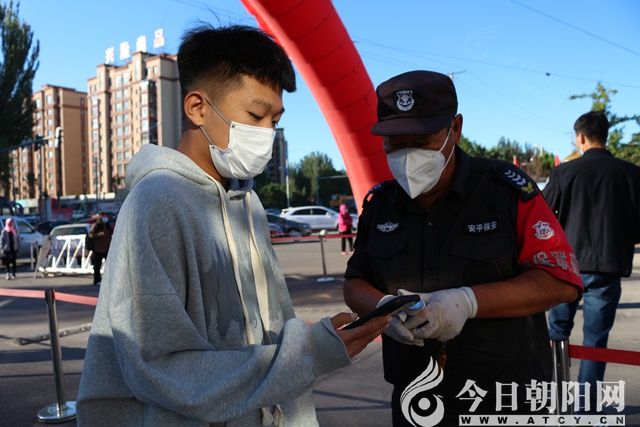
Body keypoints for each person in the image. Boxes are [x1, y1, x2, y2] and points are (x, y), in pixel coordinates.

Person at [77, 25, 388, 427]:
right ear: (197, 107)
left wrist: (312, 344)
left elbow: (271, 326)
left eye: (275, 119)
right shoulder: (156, 203)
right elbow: (159, 369)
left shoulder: (247, 202)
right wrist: (309, 353)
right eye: (255, 116)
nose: (266, 134)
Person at [343, 70, 583, 425]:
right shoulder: (381, 205)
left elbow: (560, 280)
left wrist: (467, 302)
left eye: (422, 140)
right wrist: (383, 310)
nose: (407, 155)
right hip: (416, 398)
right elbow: (354, 283)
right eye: (395, 142)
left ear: (454, 129)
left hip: (504, 398)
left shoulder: (505, 192)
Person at [543, 111, 640, 412]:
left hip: (565, 268)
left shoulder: (563, 173)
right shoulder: (630, 173)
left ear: (581, 137)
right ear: (605, 136)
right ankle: (587, 406)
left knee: (557, 333)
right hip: (607, 267)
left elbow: (543, 218)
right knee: (595, 340)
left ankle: (557, 401)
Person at [87, 212, 113, 285]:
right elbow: (91, 234)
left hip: (107, 247)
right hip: (98, 249)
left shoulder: (107, 225)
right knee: (97, 266)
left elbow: (111, 232)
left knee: (110, 265)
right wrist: (99, 234)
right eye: (103, 216)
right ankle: (97, 280)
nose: (105, 218)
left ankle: (109, 279)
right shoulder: (97, 225)